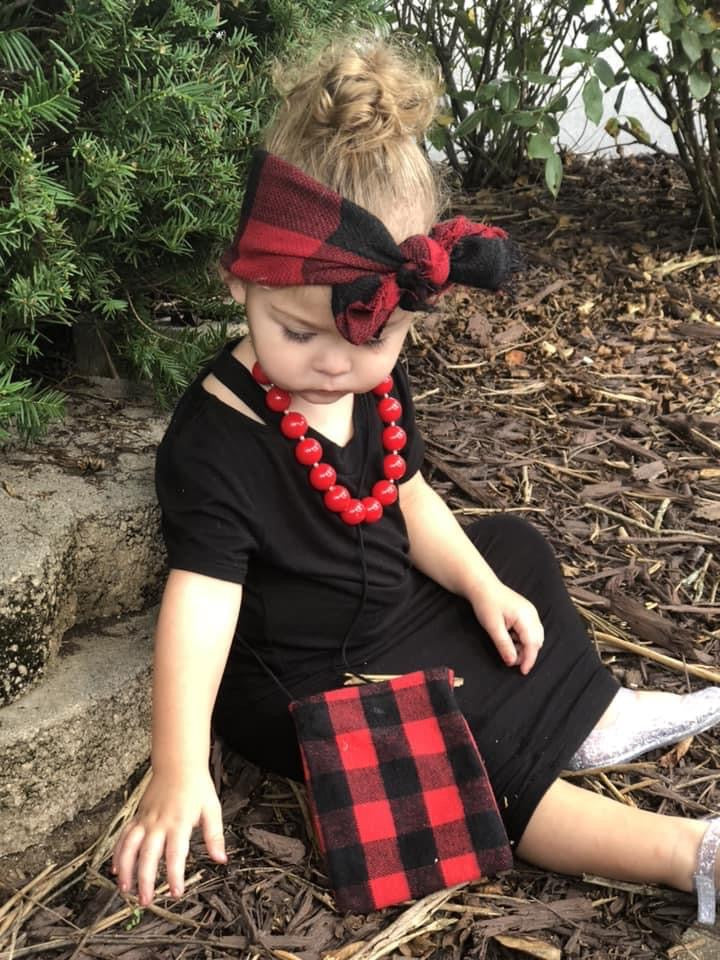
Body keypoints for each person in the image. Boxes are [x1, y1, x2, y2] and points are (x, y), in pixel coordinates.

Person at [112, 36, 720, 923]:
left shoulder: (370, 378)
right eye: (297, 333)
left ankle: (586, 715)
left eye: (370, 342)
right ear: (239, 280)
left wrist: (478, 584)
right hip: (310, 675)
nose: (331, 366)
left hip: (396, 608)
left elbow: (403, 492)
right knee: (447, 752)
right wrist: (179, 766)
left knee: (512, 549)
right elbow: (202, 601)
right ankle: (685, 854)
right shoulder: (217, 439)